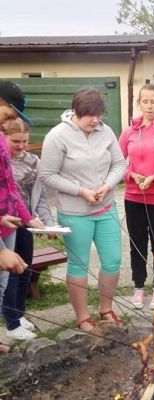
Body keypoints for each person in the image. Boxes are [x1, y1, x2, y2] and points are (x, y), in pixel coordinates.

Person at [39, 88, 127, 332]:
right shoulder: (57, 136)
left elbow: (120, 163)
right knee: (79, 264)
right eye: (90, 116)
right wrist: (81, 191)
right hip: (75, 212)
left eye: (99, 115)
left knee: (113, 260)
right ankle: (82, 316)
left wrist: (107, 185)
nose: (96, 120)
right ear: (77, 112)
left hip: (106, 207)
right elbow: (47, 175)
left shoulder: (106, 131)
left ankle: (106, 308)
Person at [119, 84, 154, 310]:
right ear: (139, 103)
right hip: (133, 197)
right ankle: (139, 288)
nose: (149, 105)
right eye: (145, 101)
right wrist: (130, 174)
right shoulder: (128, 133)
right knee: (137, 245)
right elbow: (114, 162)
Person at [2, 118, 56, 341]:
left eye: (25, 141)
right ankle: (11, 322)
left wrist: (47, 220)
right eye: (16, 141)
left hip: (26, 223)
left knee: (26, 270)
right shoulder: (4, 160)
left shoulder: (34, 161)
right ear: (4, 136)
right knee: (11, 273)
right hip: (7, 222)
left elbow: (40, 196)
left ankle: (20, 314)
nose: (21, 146)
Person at [0, 81, 44, 321]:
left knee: (5, 281)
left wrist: (27, 219)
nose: (8, 123)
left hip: (8, 222)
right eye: (7, 115)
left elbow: (10, 188)